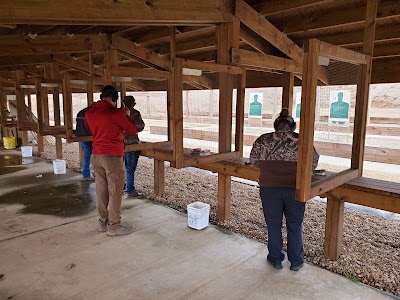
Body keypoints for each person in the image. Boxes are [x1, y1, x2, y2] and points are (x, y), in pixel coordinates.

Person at [250, 108, 319, 271]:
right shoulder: (301, 140)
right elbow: (313, 163)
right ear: (292, 126)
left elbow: (253, 161)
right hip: (294, 189)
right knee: (294, 225)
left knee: (273, 225)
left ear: (276, 125)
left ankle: (275, 259)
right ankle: (296, 261)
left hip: (269, 189)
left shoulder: (263, 140)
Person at [85, 85, 138, 236]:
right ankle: (114, 226)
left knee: (101, 190)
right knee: (115, 191)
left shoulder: (90, 112)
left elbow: (90, 128)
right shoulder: (116, 113)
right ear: (115, 99)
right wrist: (126, 114)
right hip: (112, 157)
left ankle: (103, 223)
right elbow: (132, 130)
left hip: (96, 155)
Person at [122, 95, 145, 198]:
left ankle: (123, 186)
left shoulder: (119, 112)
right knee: (130, 168)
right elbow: (140, 127)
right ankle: (130, 190)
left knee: (123, 166)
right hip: (132, 144)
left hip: (120, 143)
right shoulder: (135, 113)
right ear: (133, 104)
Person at [75, 107, 94, 181]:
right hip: (86, 137)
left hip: (80, 136)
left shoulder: (81, 112)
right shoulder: (89, 114)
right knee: (88, 155)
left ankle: (86, 172)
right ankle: (86, 175)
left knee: (87, 155)